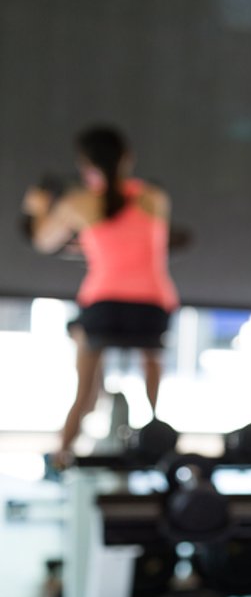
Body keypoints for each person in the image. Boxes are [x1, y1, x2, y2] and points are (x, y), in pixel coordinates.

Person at [22, 125, 178, 469]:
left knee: (85, 384)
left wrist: (37, 208)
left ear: (84, 163)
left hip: (104, 307)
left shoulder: (79, 203)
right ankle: (156, 429)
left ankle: (63, 451)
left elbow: (42, 241)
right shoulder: (155, 197)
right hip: (154, 309)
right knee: (150, 353)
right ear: (127, 158)